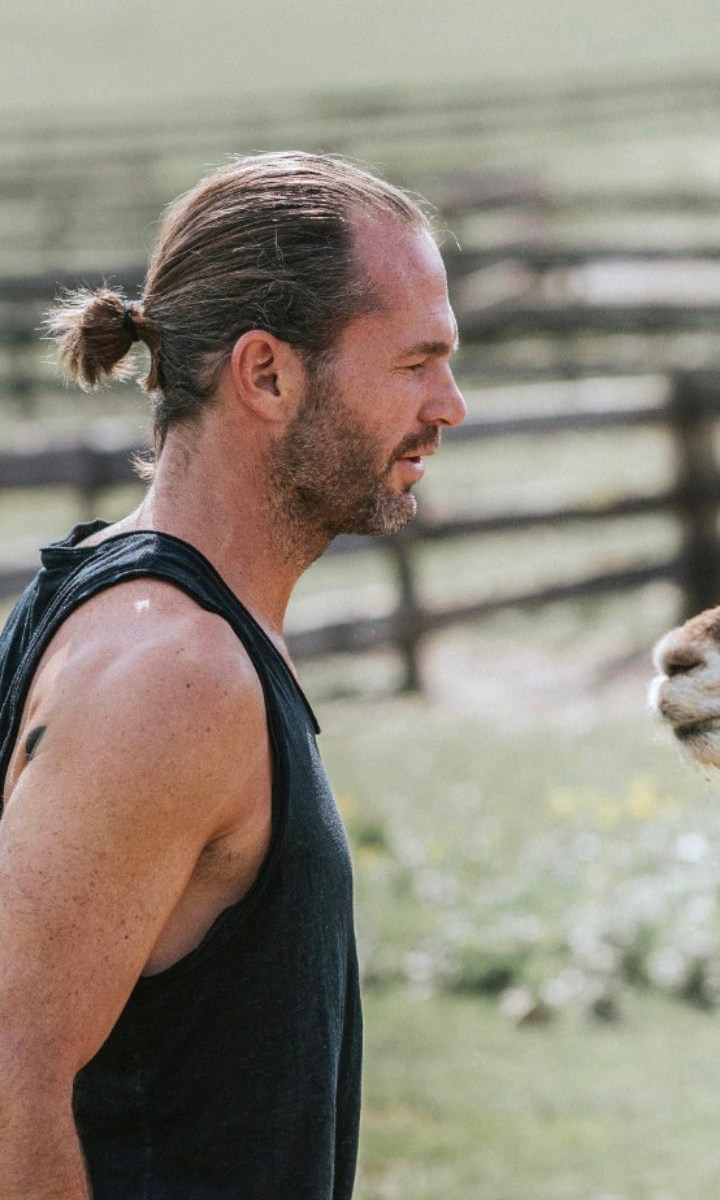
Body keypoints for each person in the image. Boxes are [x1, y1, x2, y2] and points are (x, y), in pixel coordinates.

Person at [0, 152, 466, 1200]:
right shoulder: (171, 676)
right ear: (266, 374)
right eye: (416, 362)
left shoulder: (162, 618)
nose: (451, 405)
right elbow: (9, 1085)